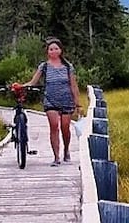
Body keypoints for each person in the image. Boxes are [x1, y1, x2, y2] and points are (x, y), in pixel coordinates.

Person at [20, 37, 83, 167]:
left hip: (66, 100)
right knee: (54, 127)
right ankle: (56, 156)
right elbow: (33, 81)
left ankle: (66, 150)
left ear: (60, 50)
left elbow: (73, 86)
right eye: (51, 49)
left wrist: (78, 104)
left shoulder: (67, 67)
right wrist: (22, 86)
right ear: (47, 52)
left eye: (56, 49)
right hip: (50, 100)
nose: (53, 51)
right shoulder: (44, 66)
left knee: (65, 128)